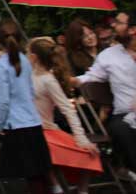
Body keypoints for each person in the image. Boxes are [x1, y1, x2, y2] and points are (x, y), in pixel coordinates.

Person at [28, 37, 101, 194]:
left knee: (89, 154)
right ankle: (56, 186)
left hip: (47, 129)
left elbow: (67, 109)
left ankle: (82, 190)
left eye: (28, 53)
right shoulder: (25, 75)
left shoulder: (48, 80)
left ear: (33, 57)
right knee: (41, 147)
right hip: (31, 129)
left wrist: (81, 138)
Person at [0, 19, 52, 191]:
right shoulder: (25, 61)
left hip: (15, 123)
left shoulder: (0, 65)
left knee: (27, 174)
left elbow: (3, 99)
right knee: (39, 173)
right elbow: (30, 90)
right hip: (33, 121)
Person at [74, 19, 136, 179]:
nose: (114, 26)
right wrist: (72, 80)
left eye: (120, 23)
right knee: (121, 129)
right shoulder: (109, 55)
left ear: (132, 30)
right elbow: (92, 76)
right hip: (124, 113)